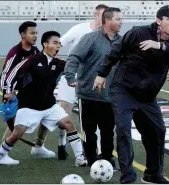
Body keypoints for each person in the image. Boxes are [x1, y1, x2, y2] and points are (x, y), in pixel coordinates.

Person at [93, 5, 169, 184]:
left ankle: (152, 175)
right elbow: (116, 51)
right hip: (124, 90)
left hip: (147, 97)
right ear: (159, 21)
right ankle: (128, 177)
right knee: (123, 130)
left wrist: (160, 46)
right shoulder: (139, 33)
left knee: (157, 131)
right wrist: (101, 74)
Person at [0, 31, 87, 172]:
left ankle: (80, 158)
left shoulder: (60, 63)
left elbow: (74, 70)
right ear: (45, 44)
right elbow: (10, 75)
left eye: (59, 44)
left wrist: (78, 78)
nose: (58, 46)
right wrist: (7, 92)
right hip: (29, 107)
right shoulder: (32, 60)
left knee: (68, 123)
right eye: (55, 43)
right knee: (16, 134)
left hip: (50, 106)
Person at [64, 7, 122, 167]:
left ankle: (108, 157)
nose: (121, 22)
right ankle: (91, 159)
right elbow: (74, 57)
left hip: (111, 95)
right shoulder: (90, 38)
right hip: (88, 94)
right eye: (118, 19)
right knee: (89, 131)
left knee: (108, 131)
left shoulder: (122, 41)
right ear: (107, 21)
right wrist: (70, 76)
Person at [0, 21, 54, 165]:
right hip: (15, 92)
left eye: (36, 33)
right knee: (16, 123)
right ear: (23, 35)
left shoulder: (36, 51)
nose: (35, 36)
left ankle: (39, 147)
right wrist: (7, 93)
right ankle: (2, 154)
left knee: (48, 112)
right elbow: (6, 74)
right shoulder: (15, 52)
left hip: (31, 92)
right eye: (32, 33)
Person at [57, 4, 109, 158]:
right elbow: (59, 43)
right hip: (71, 79)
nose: (104, 19)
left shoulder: (107, 35)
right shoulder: (80, 29)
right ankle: (61, 143)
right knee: (63, 114)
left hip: (92, 82)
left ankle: (97, 152)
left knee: (96, 117)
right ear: (95, 15)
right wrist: (60, 62)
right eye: (101, 15)